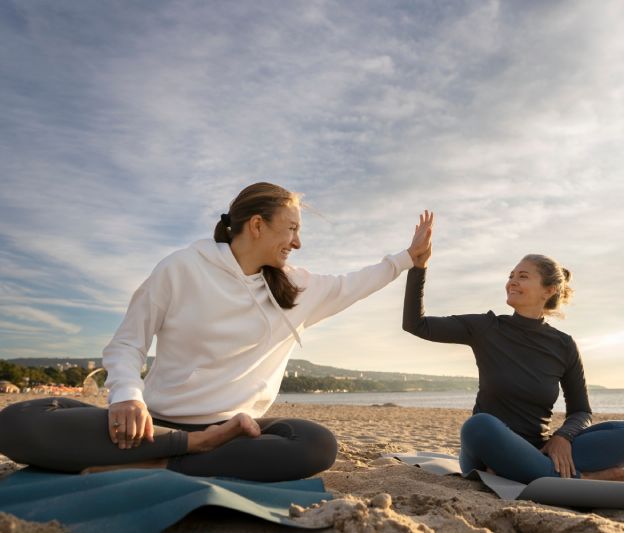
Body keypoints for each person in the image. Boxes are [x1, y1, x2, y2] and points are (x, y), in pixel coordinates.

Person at [0, 182, 432, 482]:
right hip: (155, 426)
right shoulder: (181, 267)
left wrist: (407, 258)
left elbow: (353, 283)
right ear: (257, 225)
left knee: (316, 443)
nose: (298, 242)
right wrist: (128, 397)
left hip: (234, 432)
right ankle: (182, 450)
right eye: (293, 228)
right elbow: (128, 343)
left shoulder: (297, 287)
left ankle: (158, 461)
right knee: (17, 423)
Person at [402, 212, 624, 483]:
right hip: (489, 446)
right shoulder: (486, 327)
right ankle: (582, 479)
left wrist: (562, 437)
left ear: (549, 290)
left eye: (523, 276)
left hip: (538, 450)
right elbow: (416, 324)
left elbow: (581, 411)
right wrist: (419, 267)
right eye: (511, 276)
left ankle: (534, 471)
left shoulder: (564, 345)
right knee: (478, 425)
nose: (512, 282)